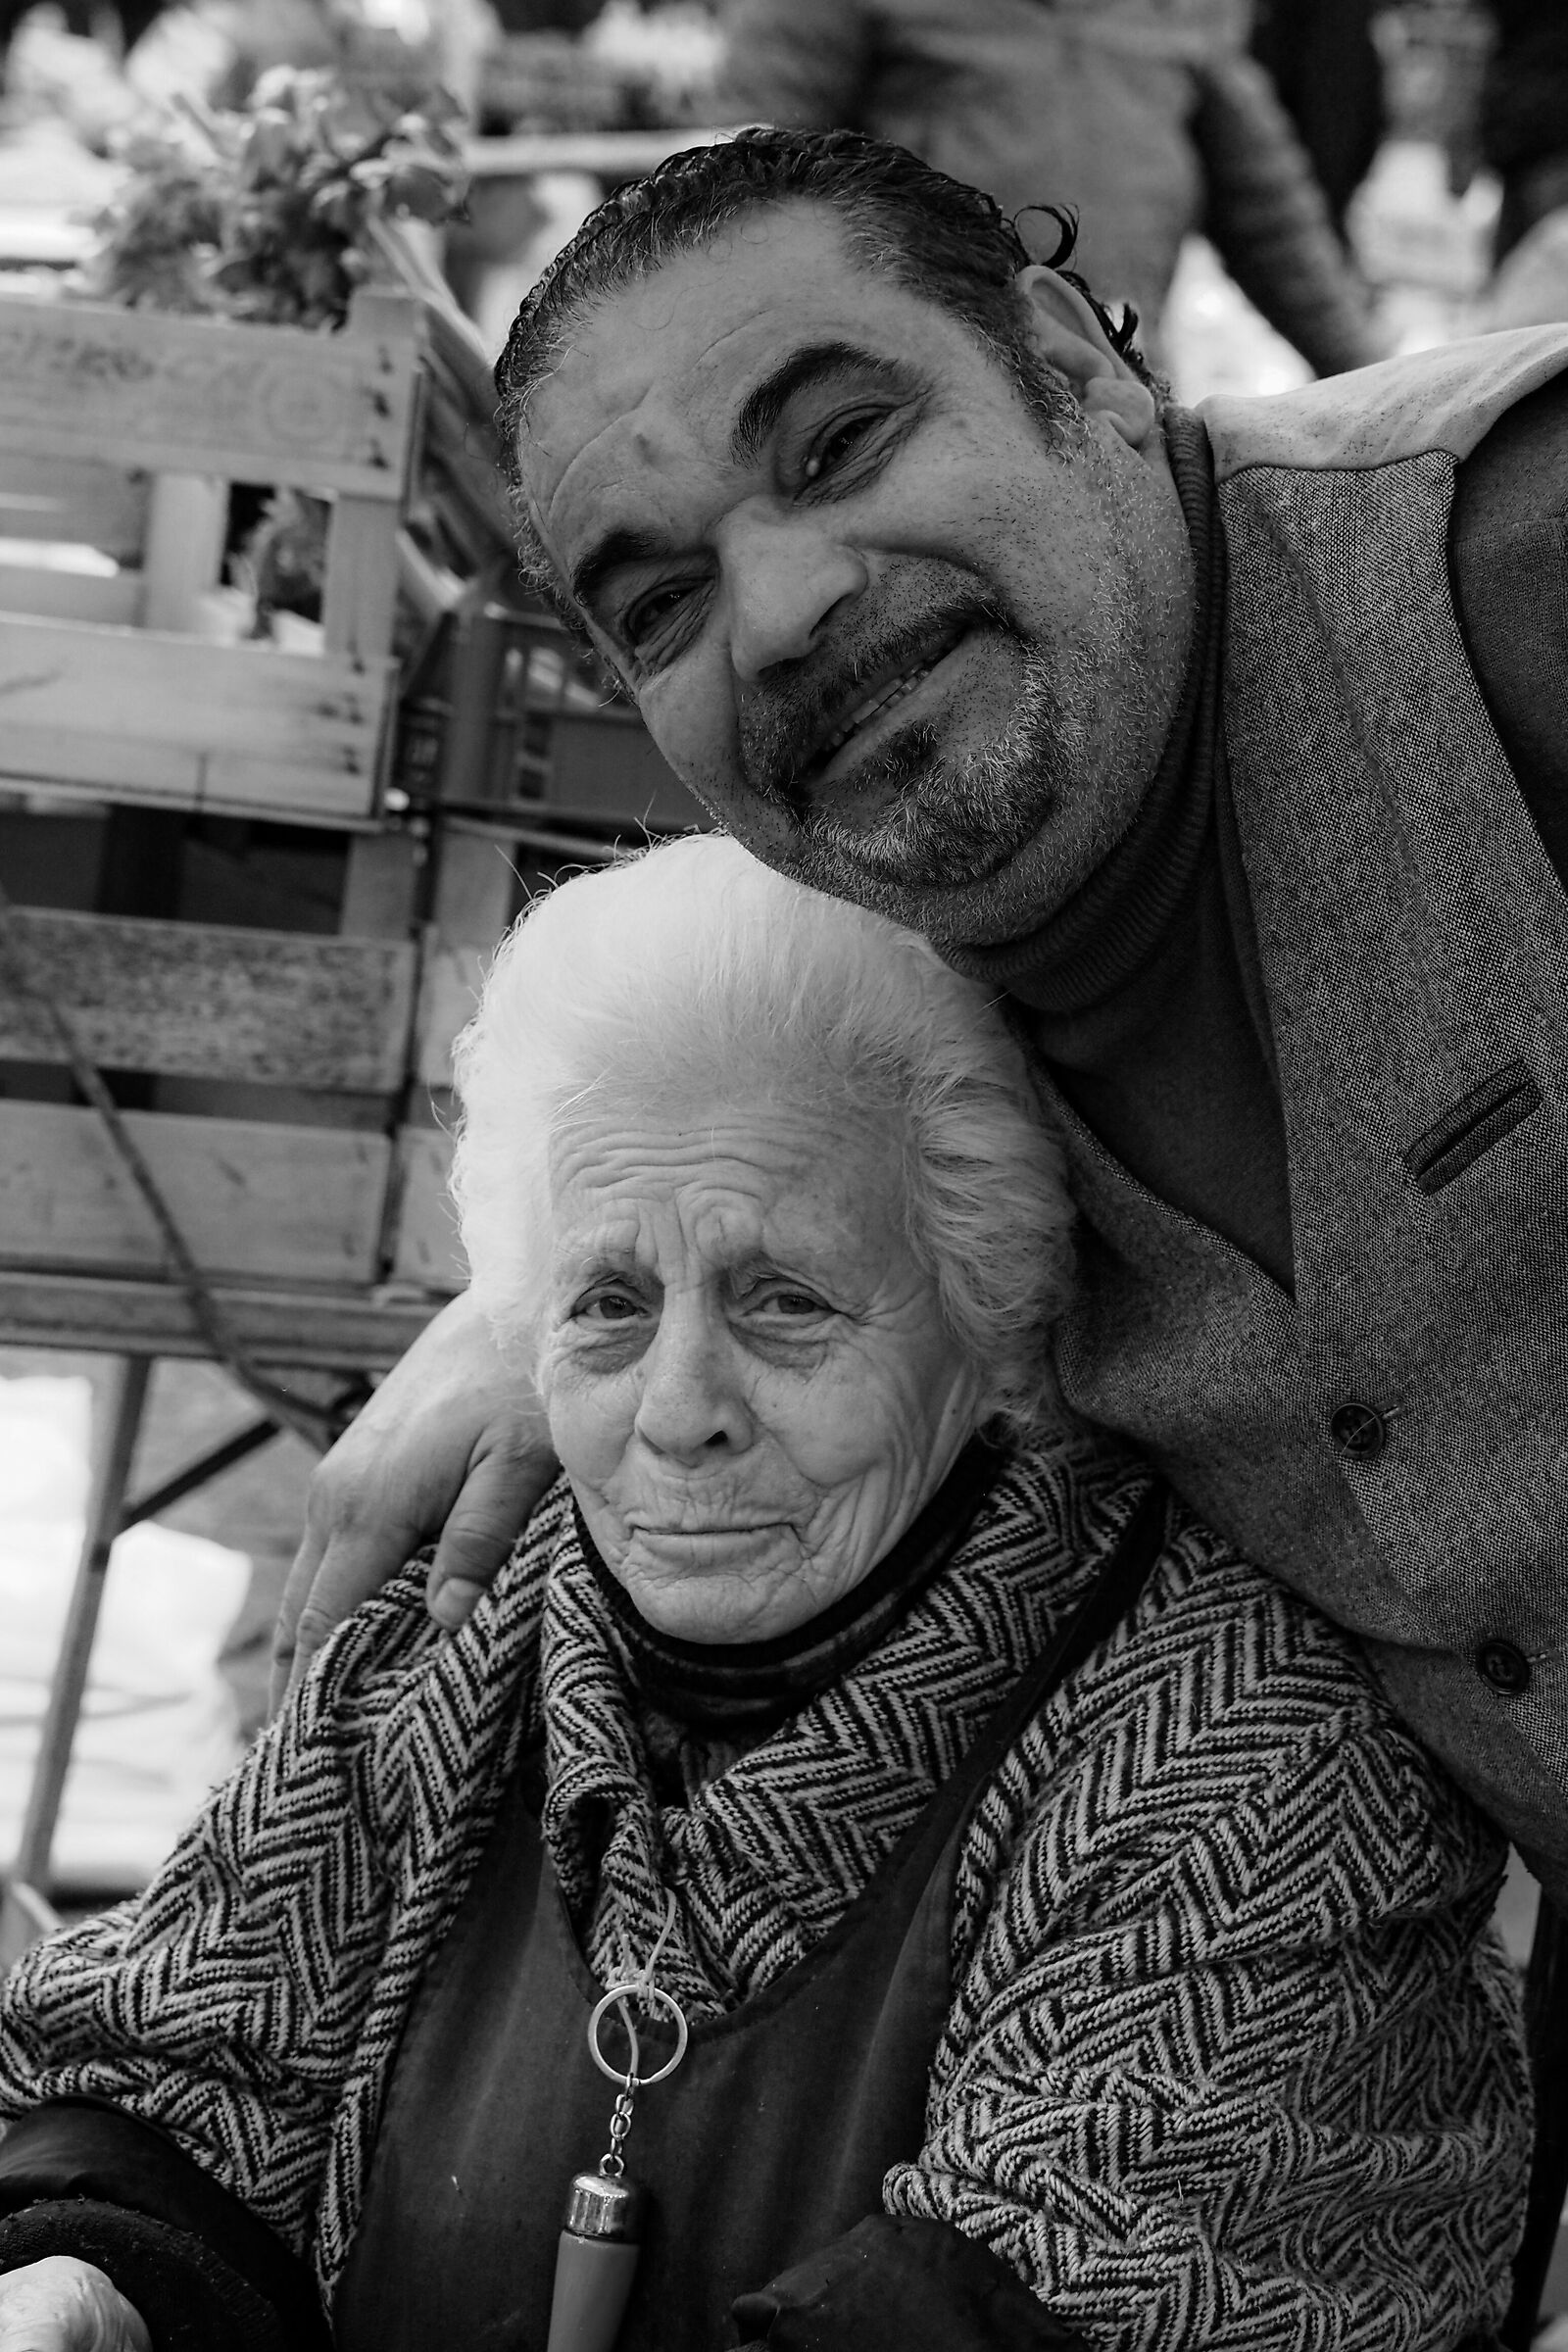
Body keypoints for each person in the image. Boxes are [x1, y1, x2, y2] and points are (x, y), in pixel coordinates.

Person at [0, 839, 1530, 2352]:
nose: (678, 1410)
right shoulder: (456, 1653)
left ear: (990, 1319)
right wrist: (95, 2279)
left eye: (782, 1300)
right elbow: (177, 2070)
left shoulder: (1248, 1771)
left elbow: (1065, 2298)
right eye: (608, 1304)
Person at [274, 127, 1568, 1916]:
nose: (788, 608)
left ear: (1071, 361)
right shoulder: (914, 997)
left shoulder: (1512, 574)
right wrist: (549, 1299)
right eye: (663, 603)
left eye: (842, 444)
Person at [716, 0, 1382, 373]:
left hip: (1121, 373)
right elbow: (751, 185)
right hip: (920, 381)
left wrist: (1370, 375)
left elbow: (1267, 211)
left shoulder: (1182, 14)